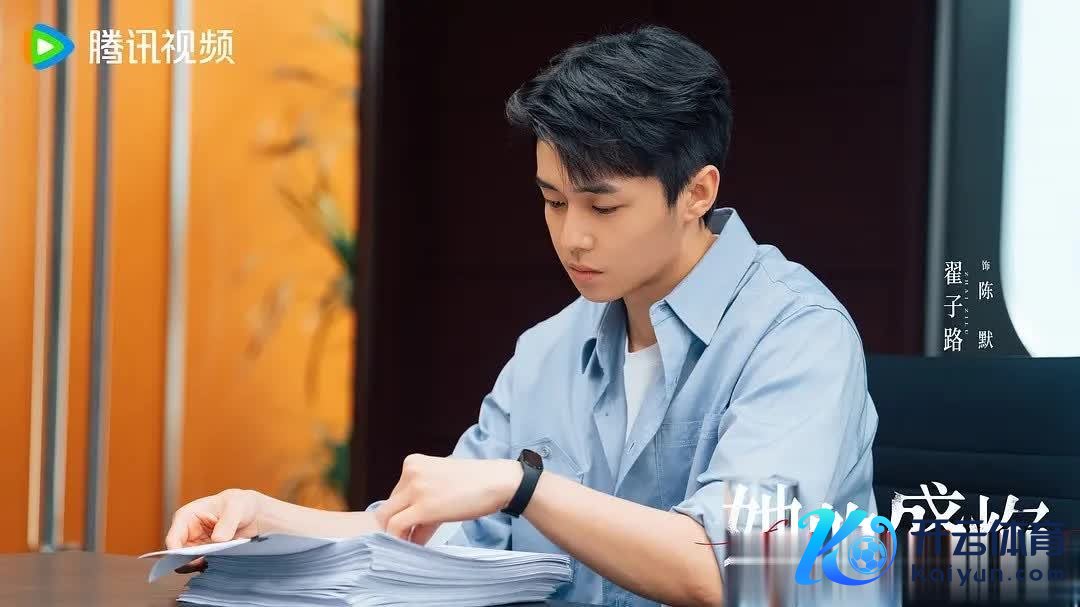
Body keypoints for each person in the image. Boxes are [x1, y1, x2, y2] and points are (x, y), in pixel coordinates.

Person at [165, 25, 878, 607]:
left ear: (697, 192)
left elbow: (732, 568)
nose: (573, 236)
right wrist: (266, 521)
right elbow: (421, 531)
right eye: (552, 201)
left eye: (602, 206)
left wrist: (524, 486)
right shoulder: (550, 348)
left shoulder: (798, 336)